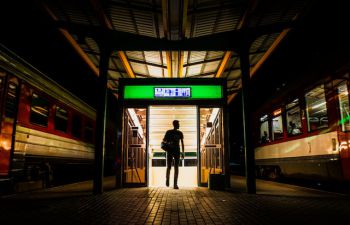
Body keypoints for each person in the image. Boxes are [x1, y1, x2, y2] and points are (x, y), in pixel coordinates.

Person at [163, 120, 184, 189]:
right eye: (178, 124)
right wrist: (169, 143)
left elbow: (182, 143)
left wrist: (183, 152)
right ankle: (167, 179)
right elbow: (164, 140)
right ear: (175, 124)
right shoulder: (169, 132)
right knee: (169, 166)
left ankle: (175, 184)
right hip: (170, 150)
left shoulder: (180, 133)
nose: (179, 125)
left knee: (176, 167)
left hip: (177, 151)